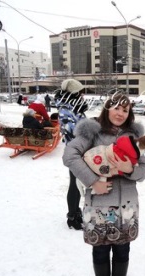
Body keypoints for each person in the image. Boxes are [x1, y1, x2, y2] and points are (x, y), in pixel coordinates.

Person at [63, 91, 145, 276]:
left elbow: (144, 171)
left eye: (125, 109)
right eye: (116, 108)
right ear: (107, 108)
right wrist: (93, 182)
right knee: (100, 253)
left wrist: (130, 169)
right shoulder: (93, 132)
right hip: (98, 205)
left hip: (126, 206)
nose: (120, 113)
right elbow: (69, 156)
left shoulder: (133, 137)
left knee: (122, 251)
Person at [55, 79, 89, 230]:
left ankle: (76, 212)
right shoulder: (65, 109)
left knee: (78, 183)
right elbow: (73, 130)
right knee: (75, 184)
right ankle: (72, 217)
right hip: (74, 152)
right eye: (80, 94)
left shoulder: (74, 108)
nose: (83, 97)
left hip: (82, 150)